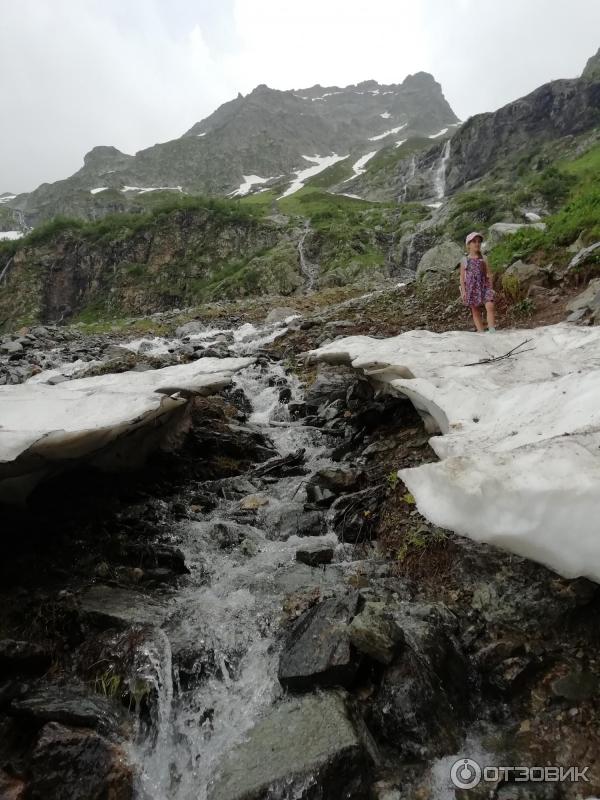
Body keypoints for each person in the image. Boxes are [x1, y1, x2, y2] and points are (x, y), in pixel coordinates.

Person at [460, 231, 496, 332]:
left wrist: (491, 288)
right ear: (468, 245)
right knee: (475, 310)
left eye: (479, 242)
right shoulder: (465, 260)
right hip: (472, 288)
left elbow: (489, 274)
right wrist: (464, 292)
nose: (477, 244)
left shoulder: (484, 258)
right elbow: (462, 278)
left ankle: (492, 330)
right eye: (474, 242)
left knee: (490, 305)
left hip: (484, 286)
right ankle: (481, 332)